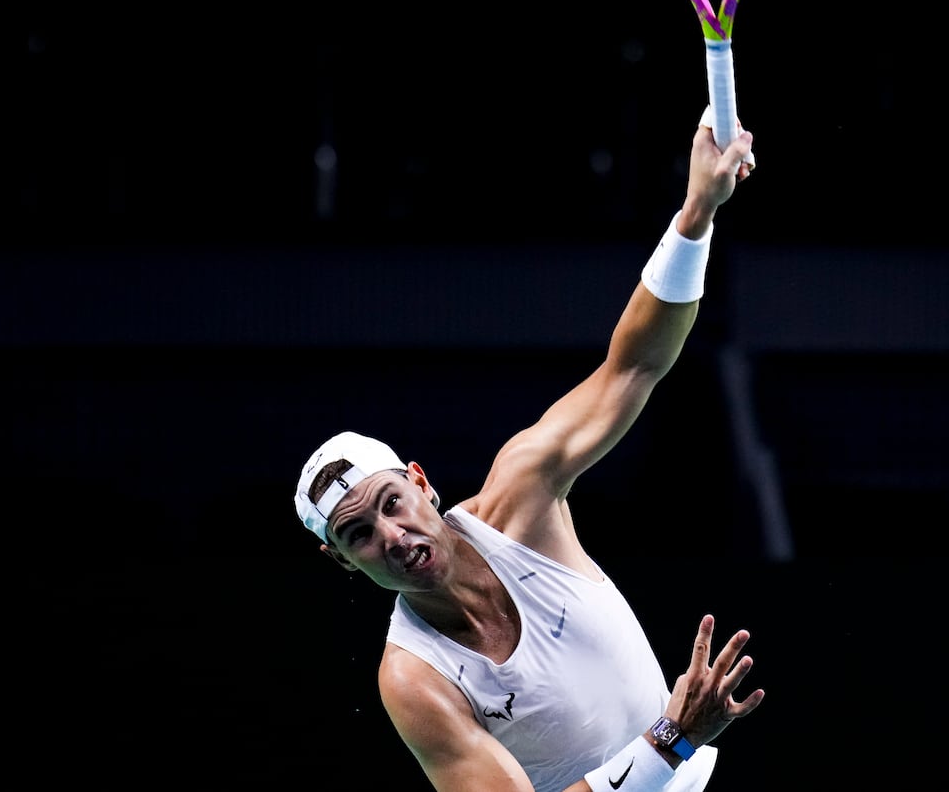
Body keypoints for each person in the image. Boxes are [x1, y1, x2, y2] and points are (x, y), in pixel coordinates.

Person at [294, 110, 764, 792]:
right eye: (359, 534)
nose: (392, 536)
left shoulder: (522, 493)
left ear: (420, 481)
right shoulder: (413, 678)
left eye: (391, 502)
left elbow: (632, 365)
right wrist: (673, 738)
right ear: (340, 559)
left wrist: (696, 211)